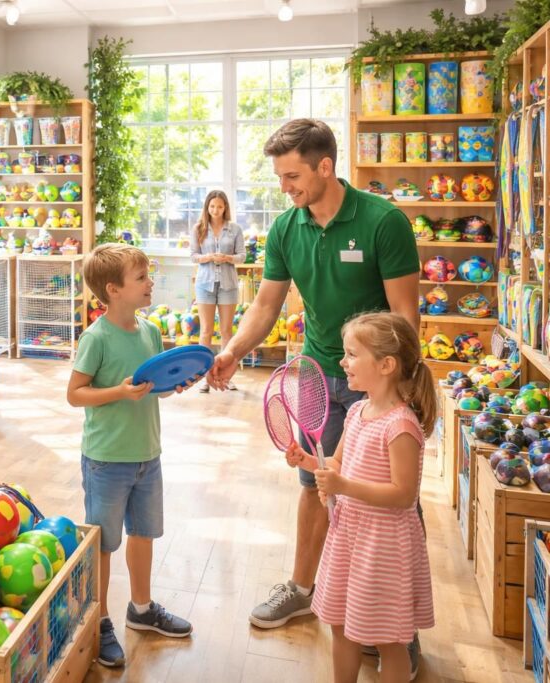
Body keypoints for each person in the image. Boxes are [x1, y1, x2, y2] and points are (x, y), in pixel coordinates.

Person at [207, 119, 420, 646]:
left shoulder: (383, 222)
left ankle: (398, 625)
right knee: (314, 484)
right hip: (318, 374)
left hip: (378, 385)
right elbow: (265, 305)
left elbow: (405, 315)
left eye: (293, 176)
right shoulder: (286, 229)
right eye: (280, 177)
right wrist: (232, 351)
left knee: (390, 497)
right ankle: (302, 589)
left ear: (325, 167)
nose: (285, 187)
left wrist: (396, 391)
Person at [66, 244, 199, 669]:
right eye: (140, 278)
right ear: (113, 289)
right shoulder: (96, 338)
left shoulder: (150, 332)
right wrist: (119, 392)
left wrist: (175, 384)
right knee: (104, 543)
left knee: (144, 534)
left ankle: (141, 609)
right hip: (106, 459)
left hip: (147, 453)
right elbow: (75, 394)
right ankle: (99, 619)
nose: (150, 283)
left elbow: (152, 386)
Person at [285, 312, 436, 681]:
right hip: (349, 537)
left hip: (383, 546)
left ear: (386, 365)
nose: (342, 362)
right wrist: (307, 460)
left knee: (387, 639)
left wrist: (344, 487)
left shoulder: (401, 426)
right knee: (340, 625)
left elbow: (403, 495)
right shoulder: (356, 411)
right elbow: (338, 463)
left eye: (352, 355)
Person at [190, 190, 245, 392]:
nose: (215, 210)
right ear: (207, 207)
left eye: (219, 207)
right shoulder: (198, 228)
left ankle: (225, 377)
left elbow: (242, 256)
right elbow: (193, 256)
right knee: (205, 331)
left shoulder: (234, 229)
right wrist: (209, 257)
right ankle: (205, 377)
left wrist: (227, 258)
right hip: (204, 284)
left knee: (226, 331)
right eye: (212, 206)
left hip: (228, 285)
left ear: (225, 208)